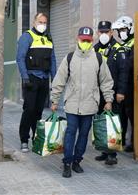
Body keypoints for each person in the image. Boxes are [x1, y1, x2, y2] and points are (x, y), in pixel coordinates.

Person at [51, 26, 114, 178]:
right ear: (78, 39)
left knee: (84, 135)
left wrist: (108, 99)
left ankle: (77, 161)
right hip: (72, 104)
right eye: (82, 40)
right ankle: (67, 162)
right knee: (71, 132)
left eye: (88, 40)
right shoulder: (70, 58)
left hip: (90, 104)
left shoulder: (98, 59)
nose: (85, 42)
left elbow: (106, 81)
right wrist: (54, 100)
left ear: (92, 40)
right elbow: (59, 80)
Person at [16, 13, 56, 153]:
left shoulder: (48, 38)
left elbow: (53, 60)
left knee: (39, 111)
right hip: (31, 79)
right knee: (29, 110)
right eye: (40, 22)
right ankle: (24, 140)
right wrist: (25, 77)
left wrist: (54, 79)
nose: (42, 25)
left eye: (45, 22)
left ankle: (36, 138)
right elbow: (20, 58)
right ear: (34, 22)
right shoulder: (27, 37)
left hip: (44, 79)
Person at [94, 20, 128, 165]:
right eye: (101, 32)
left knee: (113, 122)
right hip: (98, 93)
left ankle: (112, 154)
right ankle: (104, 149)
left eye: (106, 31)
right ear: (97, 32)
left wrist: (121, 91)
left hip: (113, 93)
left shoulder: (119, 49)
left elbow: (124, 72)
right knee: (101, 122)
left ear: (111, 32)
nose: (103, 34)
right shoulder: (94, 48)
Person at [112, 16, 135, 152]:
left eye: (123, 29)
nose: (121, 32)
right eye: (119, 30)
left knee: (132, 115)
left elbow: (129, 64)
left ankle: (134, 143)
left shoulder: (135, 43)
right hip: (121, 85)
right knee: (121, 115)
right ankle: (120, 141)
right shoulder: (121, 45)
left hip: (131, 85)